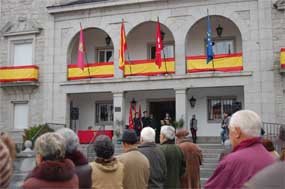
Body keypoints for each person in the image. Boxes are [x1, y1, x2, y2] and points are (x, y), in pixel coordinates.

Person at [205, 110, 275, 189]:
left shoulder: (232, 161)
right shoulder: (271, 158)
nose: (229, 135)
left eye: (229, 130)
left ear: (237, 132)